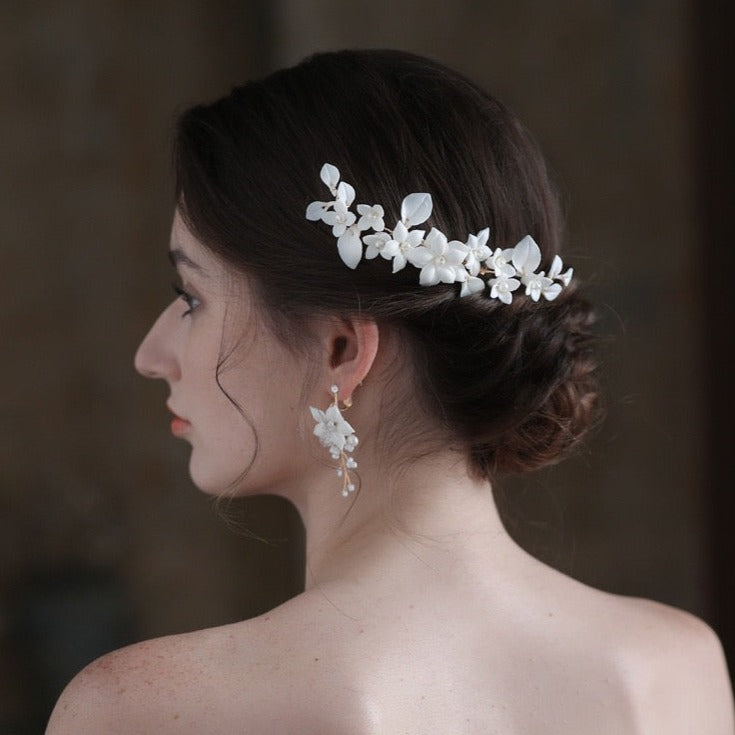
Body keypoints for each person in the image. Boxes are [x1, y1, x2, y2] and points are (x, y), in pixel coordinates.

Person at [46, 49, 733, 734]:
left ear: (340, 349)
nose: (150, 355)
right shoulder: (672, 669)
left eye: (190, 297)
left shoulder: (144, 709)